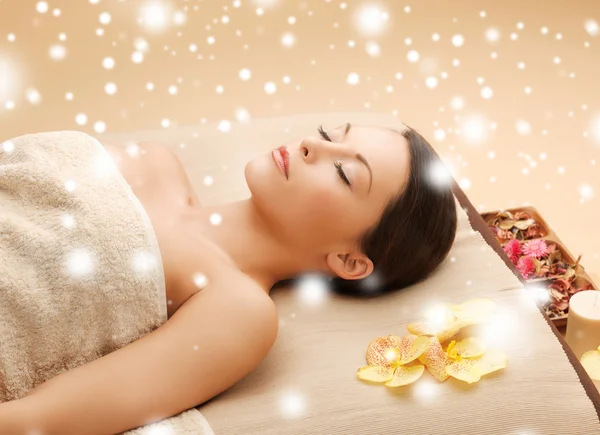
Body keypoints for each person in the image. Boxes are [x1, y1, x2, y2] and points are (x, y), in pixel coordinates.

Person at [0, 123, 457, 434]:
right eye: (326, 134)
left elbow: (43, 418)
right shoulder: (157, 162)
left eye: (343, 172)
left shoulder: (238, 309)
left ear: (349, 260)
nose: (310, 147)